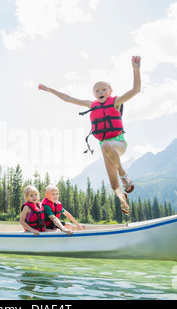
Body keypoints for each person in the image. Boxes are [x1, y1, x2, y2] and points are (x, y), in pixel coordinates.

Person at [38, 56, 141, 215]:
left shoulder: (116, 101)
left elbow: (135, 90)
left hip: (118, 142)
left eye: (103, 89)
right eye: (97, 90)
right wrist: (49, 89)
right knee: (114, 186)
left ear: (110, 91)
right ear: (94, 94)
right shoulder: (90, 104)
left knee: (107, 145)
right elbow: (69, 99)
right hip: (104, 145)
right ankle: (123, 201)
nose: (100, 92)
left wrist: (136, 69)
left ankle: (124, 175)